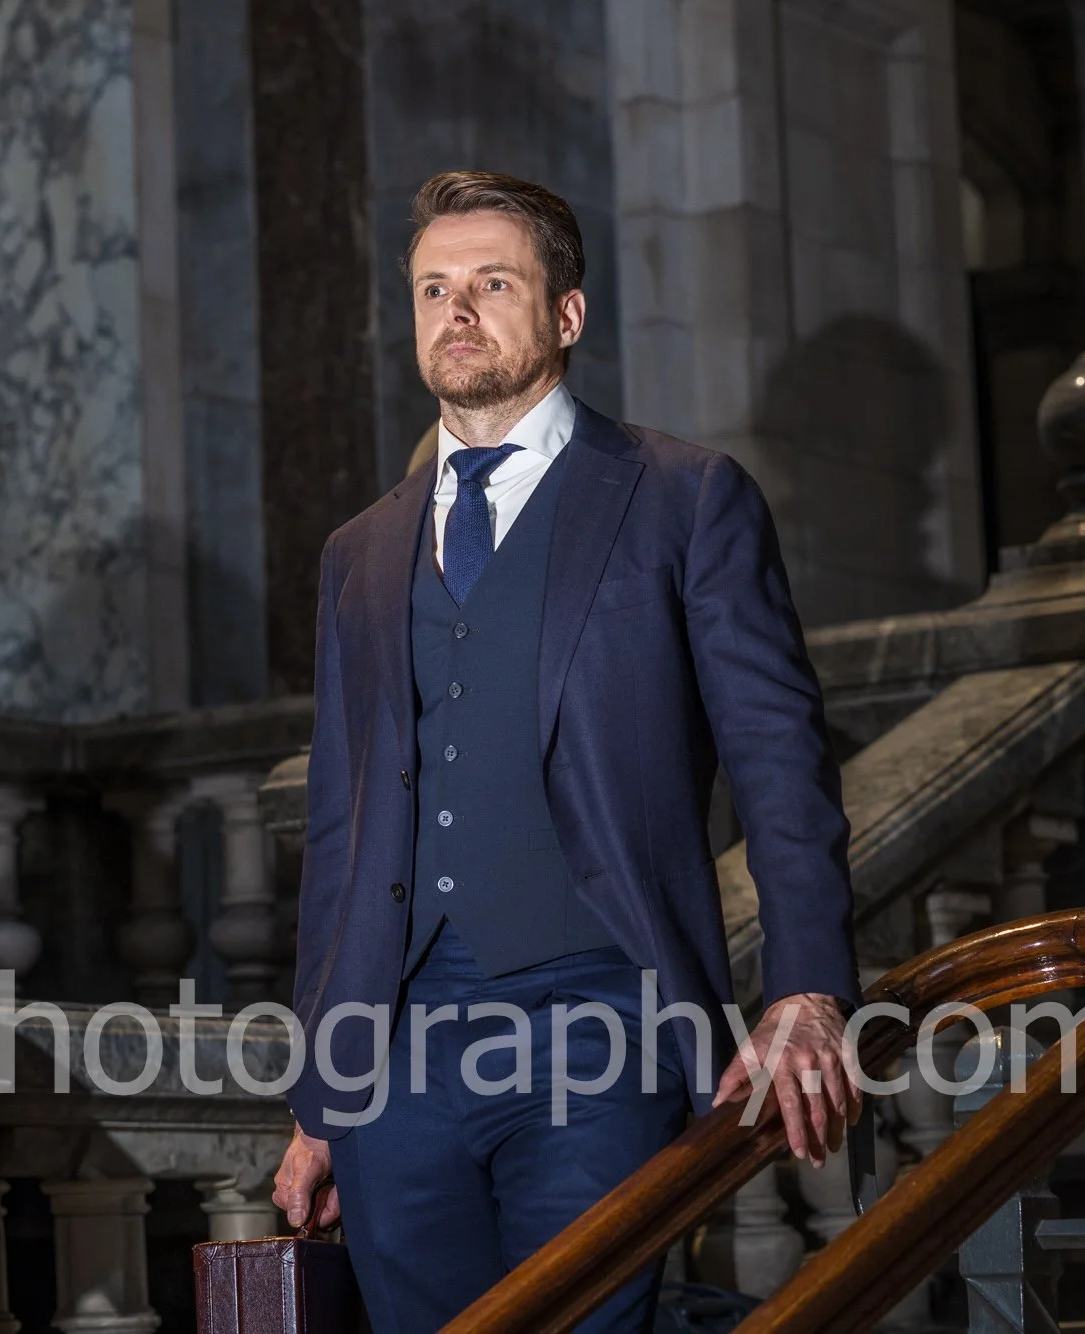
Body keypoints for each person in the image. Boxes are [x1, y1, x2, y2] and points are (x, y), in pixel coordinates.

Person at [269, 171, 863, 1333]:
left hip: (595, 1019)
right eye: (433, 288)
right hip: (394, 1048)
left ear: (565, 314)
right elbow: (339, 829)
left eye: (492, 283)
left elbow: (777, 756)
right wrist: (321, 1091)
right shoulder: (359, 549)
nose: (456, 311)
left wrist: (807, 986)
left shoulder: (682, 499)